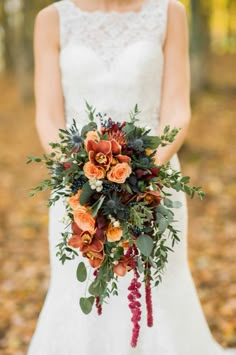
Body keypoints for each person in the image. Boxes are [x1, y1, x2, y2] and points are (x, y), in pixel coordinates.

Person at [27, 0, 236, 354]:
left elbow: (177, 109)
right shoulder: (50, 20)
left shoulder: (169, 12)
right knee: (80, 288)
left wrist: (142, 172)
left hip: (154, 182)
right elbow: (47, 117)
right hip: (78, 191)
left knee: (159, 287)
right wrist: (81, 177)